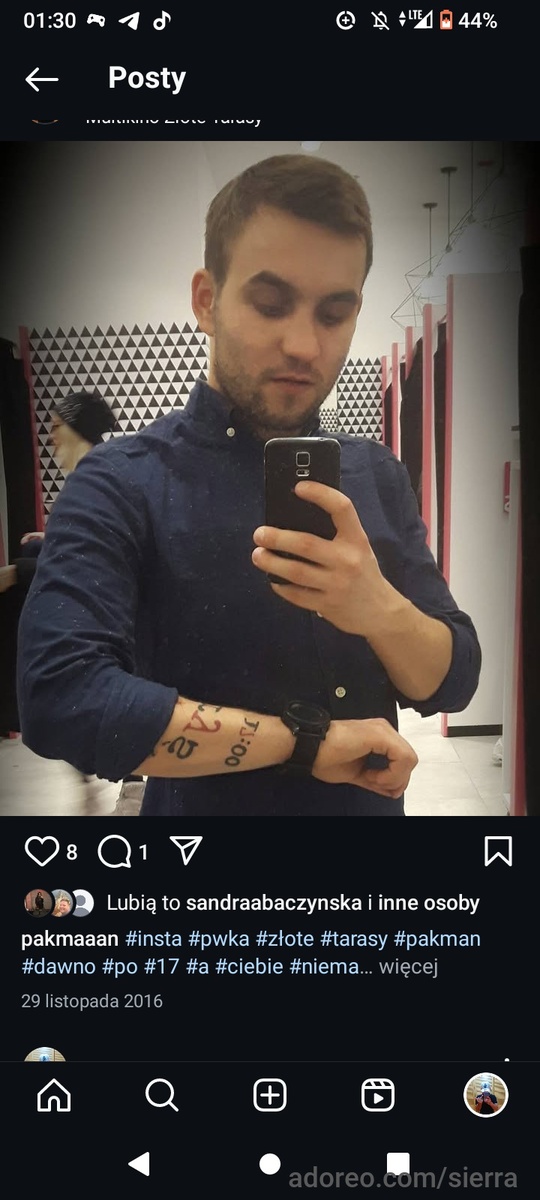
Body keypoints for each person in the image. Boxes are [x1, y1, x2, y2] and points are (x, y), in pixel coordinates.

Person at [17, 154, 481, 816]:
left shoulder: (376, 473)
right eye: (270, 304)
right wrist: (305, 744)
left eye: (334, 312)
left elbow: (454, 678)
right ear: (206, 301)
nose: (304, 345)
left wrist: (377, 606)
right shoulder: (122, 482)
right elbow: (61, 699)